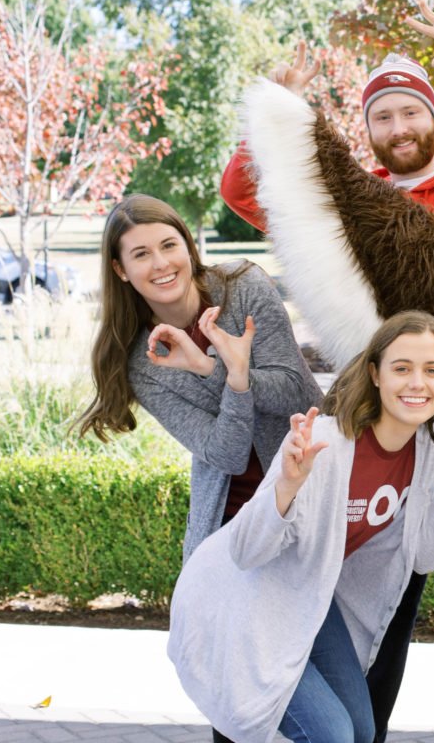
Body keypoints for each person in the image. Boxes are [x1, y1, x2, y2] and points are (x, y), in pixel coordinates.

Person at [166, 311, 434, 743]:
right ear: (375, 374)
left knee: (362, 730)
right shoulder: (324, 443)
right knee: (333, 735)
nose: (417, 383)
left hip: (311, 601)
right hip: (245, 599)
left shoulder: (430, 451)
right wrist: (287, 484)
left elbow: (423, 557)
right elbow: (246, 551)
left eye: (432, 370)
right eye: (402, 368)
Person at [77, 193, 322, 562]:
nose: (161, 263)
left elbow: (297, 397)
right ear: (120, 269)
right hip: (231, 523)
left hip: (314, 499)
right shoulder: (143, 362)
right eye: (141, 254)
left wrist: (212, 368)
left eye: (168, 245)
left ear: (188, 246)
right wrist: (232, 379)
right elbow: (228, 456)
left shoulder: (244, 288)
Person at [220, 1, 434, 231]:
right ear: (368, 129)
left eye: (411, 112)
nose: (399, 129)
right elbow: (241, 194)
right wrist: (273, 112)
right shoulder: (350, 204)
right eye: (383, 118)